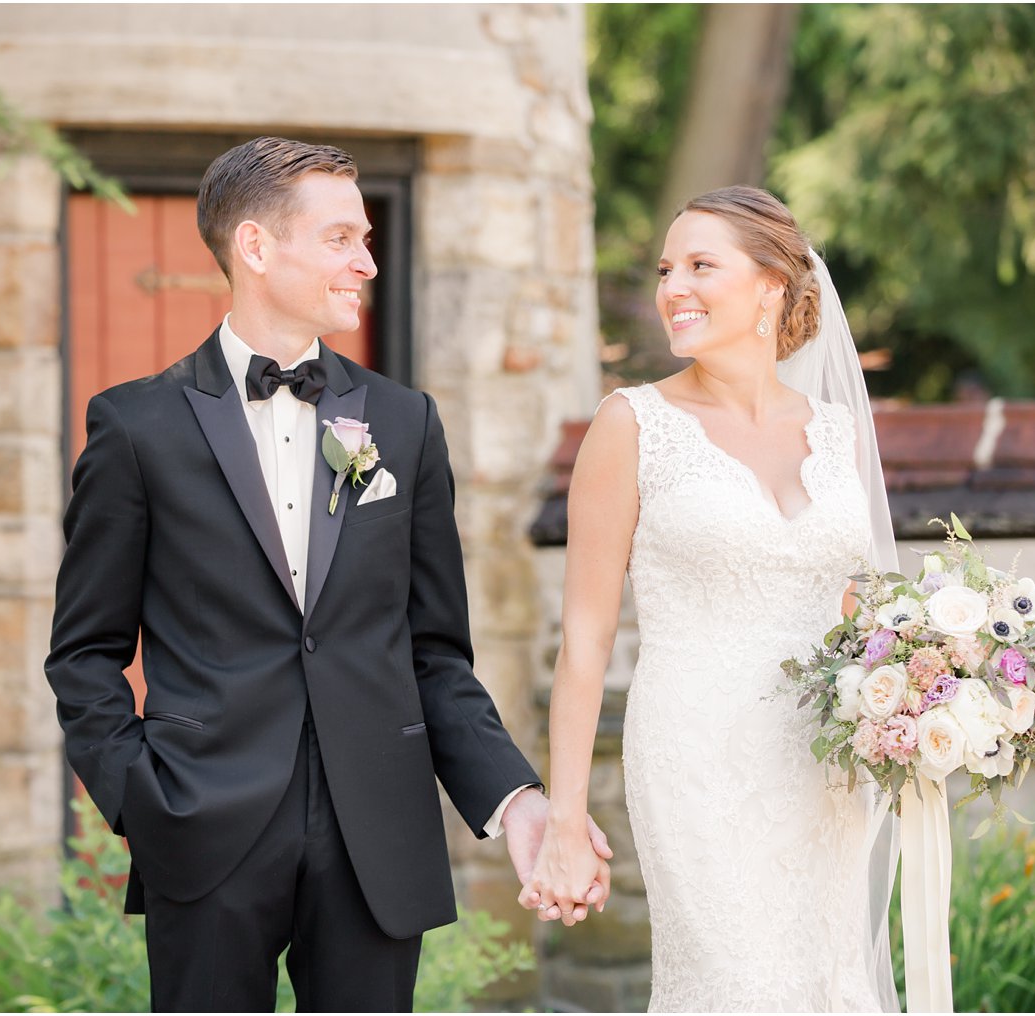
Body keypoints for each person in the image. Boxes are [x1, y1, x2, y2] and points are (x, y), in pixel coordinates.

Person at [45, 136, 610, 1013]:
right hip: (203, 827)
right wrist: (144, 799)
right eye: (342, 238)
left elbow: (434, 654)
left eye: (368, 238)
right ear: (257, 248)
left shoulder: (404, 422)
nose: (368, 263)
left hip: (376, 836)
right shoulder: (135, 427)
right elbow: (84, 653)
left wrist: (515, 799)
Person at [520, 186, 902, 1011]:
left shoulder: (836, 432)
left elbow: (863, 616)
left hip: (822, 764)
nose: (673, 287)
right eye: (666, 268)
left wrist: (934, 686)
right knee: (733, 983)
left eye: (700, 265)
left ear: (772, 285)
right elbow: (584, 641)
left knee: (826, 980)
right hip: (698, 757)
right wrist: (564, 821)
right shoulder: (631, 426)